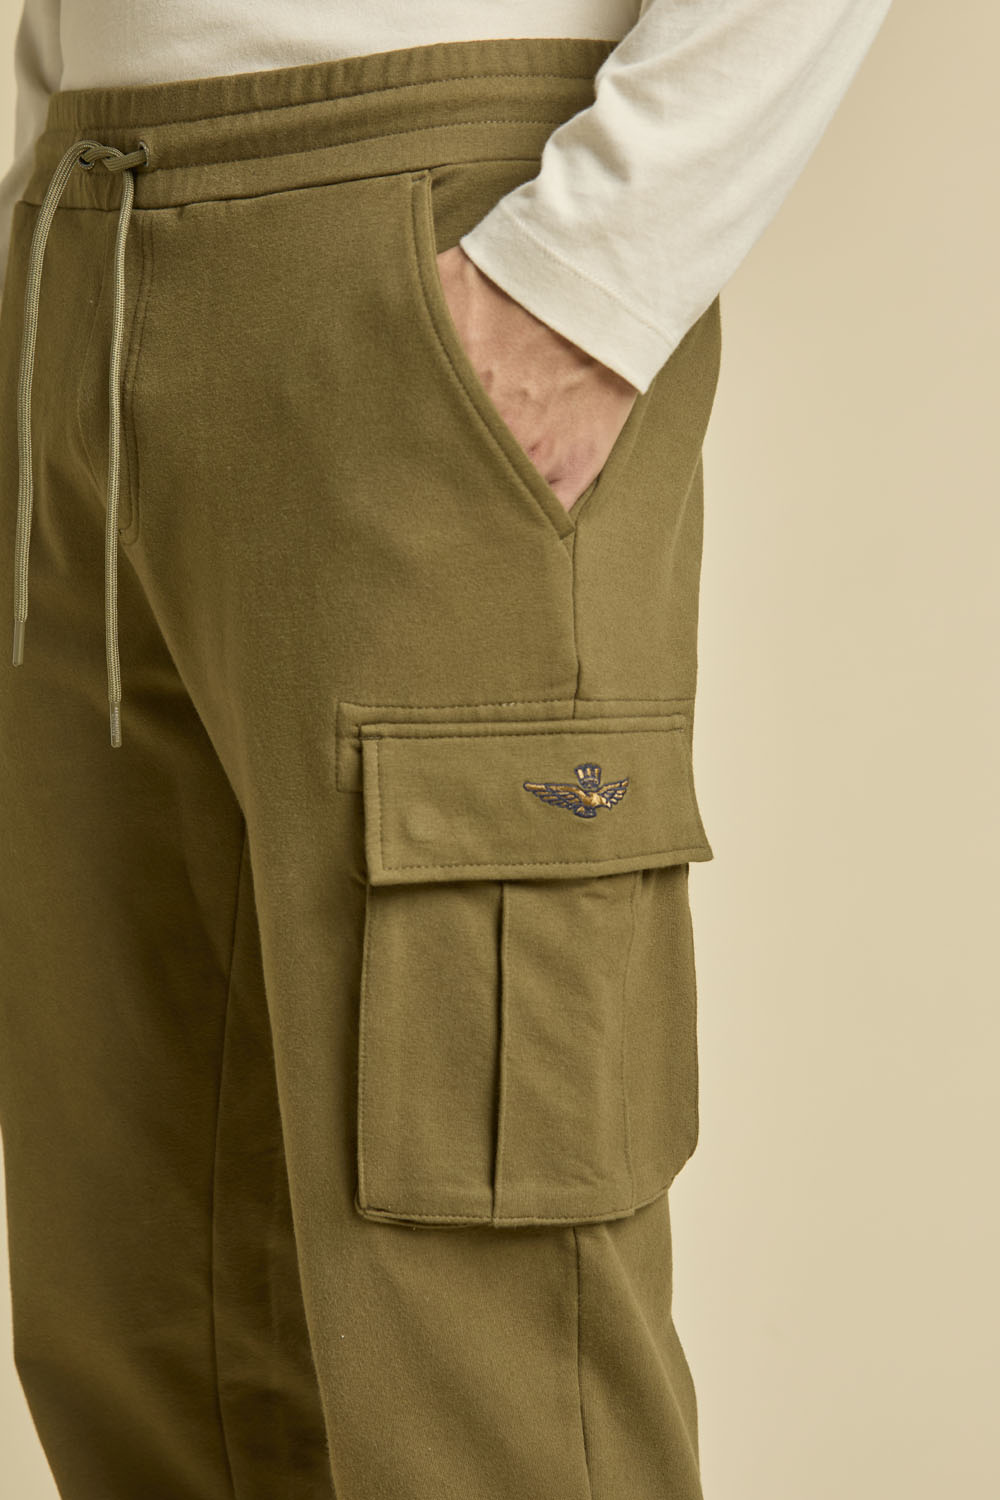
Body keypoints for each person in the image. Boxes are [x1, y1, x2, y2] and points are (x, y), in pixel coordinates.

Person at [0, 4, 891, 1498]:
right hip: (75, 227)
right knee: (141, 1299)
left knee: (479, 1351)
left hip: (424, 225)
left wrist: (586, 285)